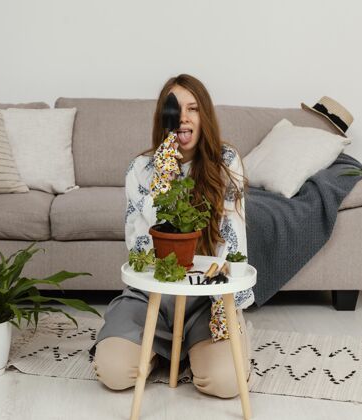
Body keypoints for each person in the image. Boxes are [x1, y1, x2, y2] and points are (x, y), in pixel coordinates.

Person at [94, 74, 254, 398]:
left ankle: (195, 349)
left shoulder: (226, 163)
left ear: (204, 116)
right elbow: (142, 245)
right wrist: (165, 170)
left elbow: (232, 242)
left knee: (224, 382)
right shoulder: (140, 169)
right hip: (151, 296)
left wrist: (227, 308)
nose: (183, 117)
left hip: (205, 298)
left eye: (193, 108)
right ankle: (155, 349)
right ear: (162, 118)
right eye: (174, 109)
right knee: (113, 370)